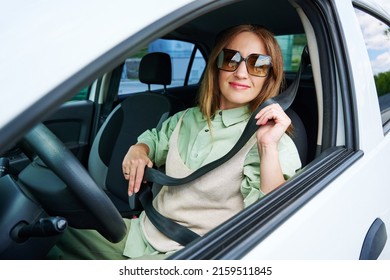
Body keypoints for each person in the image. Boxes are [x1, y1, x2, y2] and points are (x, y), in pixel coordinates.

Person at [48, 24, 301, 260]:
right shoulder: (187, 118)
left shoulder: (271, 141)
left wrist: (267, 147)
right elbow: (155, 139)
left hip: (192, 253)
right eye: (231, 59)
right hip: (140, 232)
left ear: (269, 76)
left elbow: (272, 220)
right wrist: (140, 149)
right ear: (216, 65)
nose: (241, 72)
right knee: (46, 234)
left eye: (258, 64)